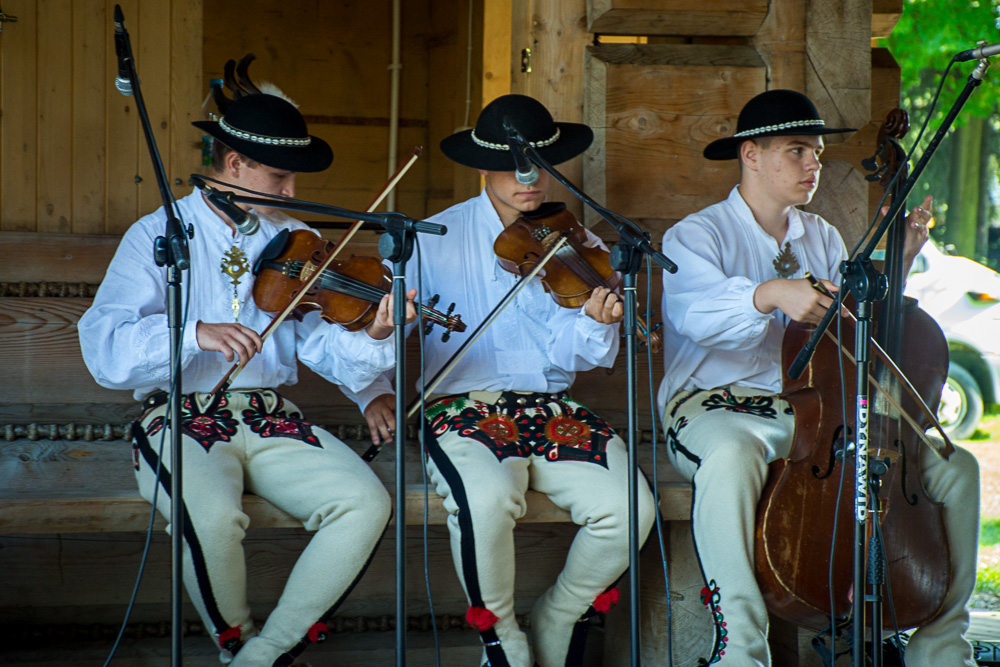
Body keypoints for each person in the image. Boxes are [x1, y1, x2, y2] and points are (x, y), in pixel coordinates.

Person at [79, 91, 417, 667]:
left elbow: (323, 348)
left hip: (268, 416)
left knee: (365, 500)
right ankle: (233, 644)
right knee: (211, 516)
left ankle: (268, 653)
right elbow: (105, 346)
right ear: (234, 165)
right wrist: (193, 334)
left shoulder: (292, 240)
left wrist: (377, 335)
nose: (291, 194)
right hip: (181, 415)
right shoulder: (159, 234)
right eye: (280, 178)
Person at [657, 88, 980, 665]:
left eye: (817, 153)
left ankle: (941, 645)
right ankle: (740, 647)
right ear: (750, 155)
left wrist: (898, 261)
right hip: (715, 406)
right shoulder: (696, 234)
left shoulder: (822, 236)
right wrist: (769, 294)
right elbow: (693, 314)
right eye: (798, 150)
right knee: (732, 455)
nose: (814, 164)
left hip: (813, 414)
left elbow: (854, 337)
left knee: (956, 466)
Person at [343, 94, 657, 667]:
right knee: (486, 499)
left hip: (551, 409)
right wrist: (373, 391)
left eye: (541, 165)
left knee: (630, 510)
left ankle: (561, 612)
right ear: (484, 167)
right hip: (463, 408)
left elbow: (573, 354)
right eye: (516, 167)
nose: (530, 179)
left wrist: (593, 321)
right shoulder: (432, 236)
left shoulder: (577, 243)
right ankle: (501, 638)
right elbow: (380, 320)